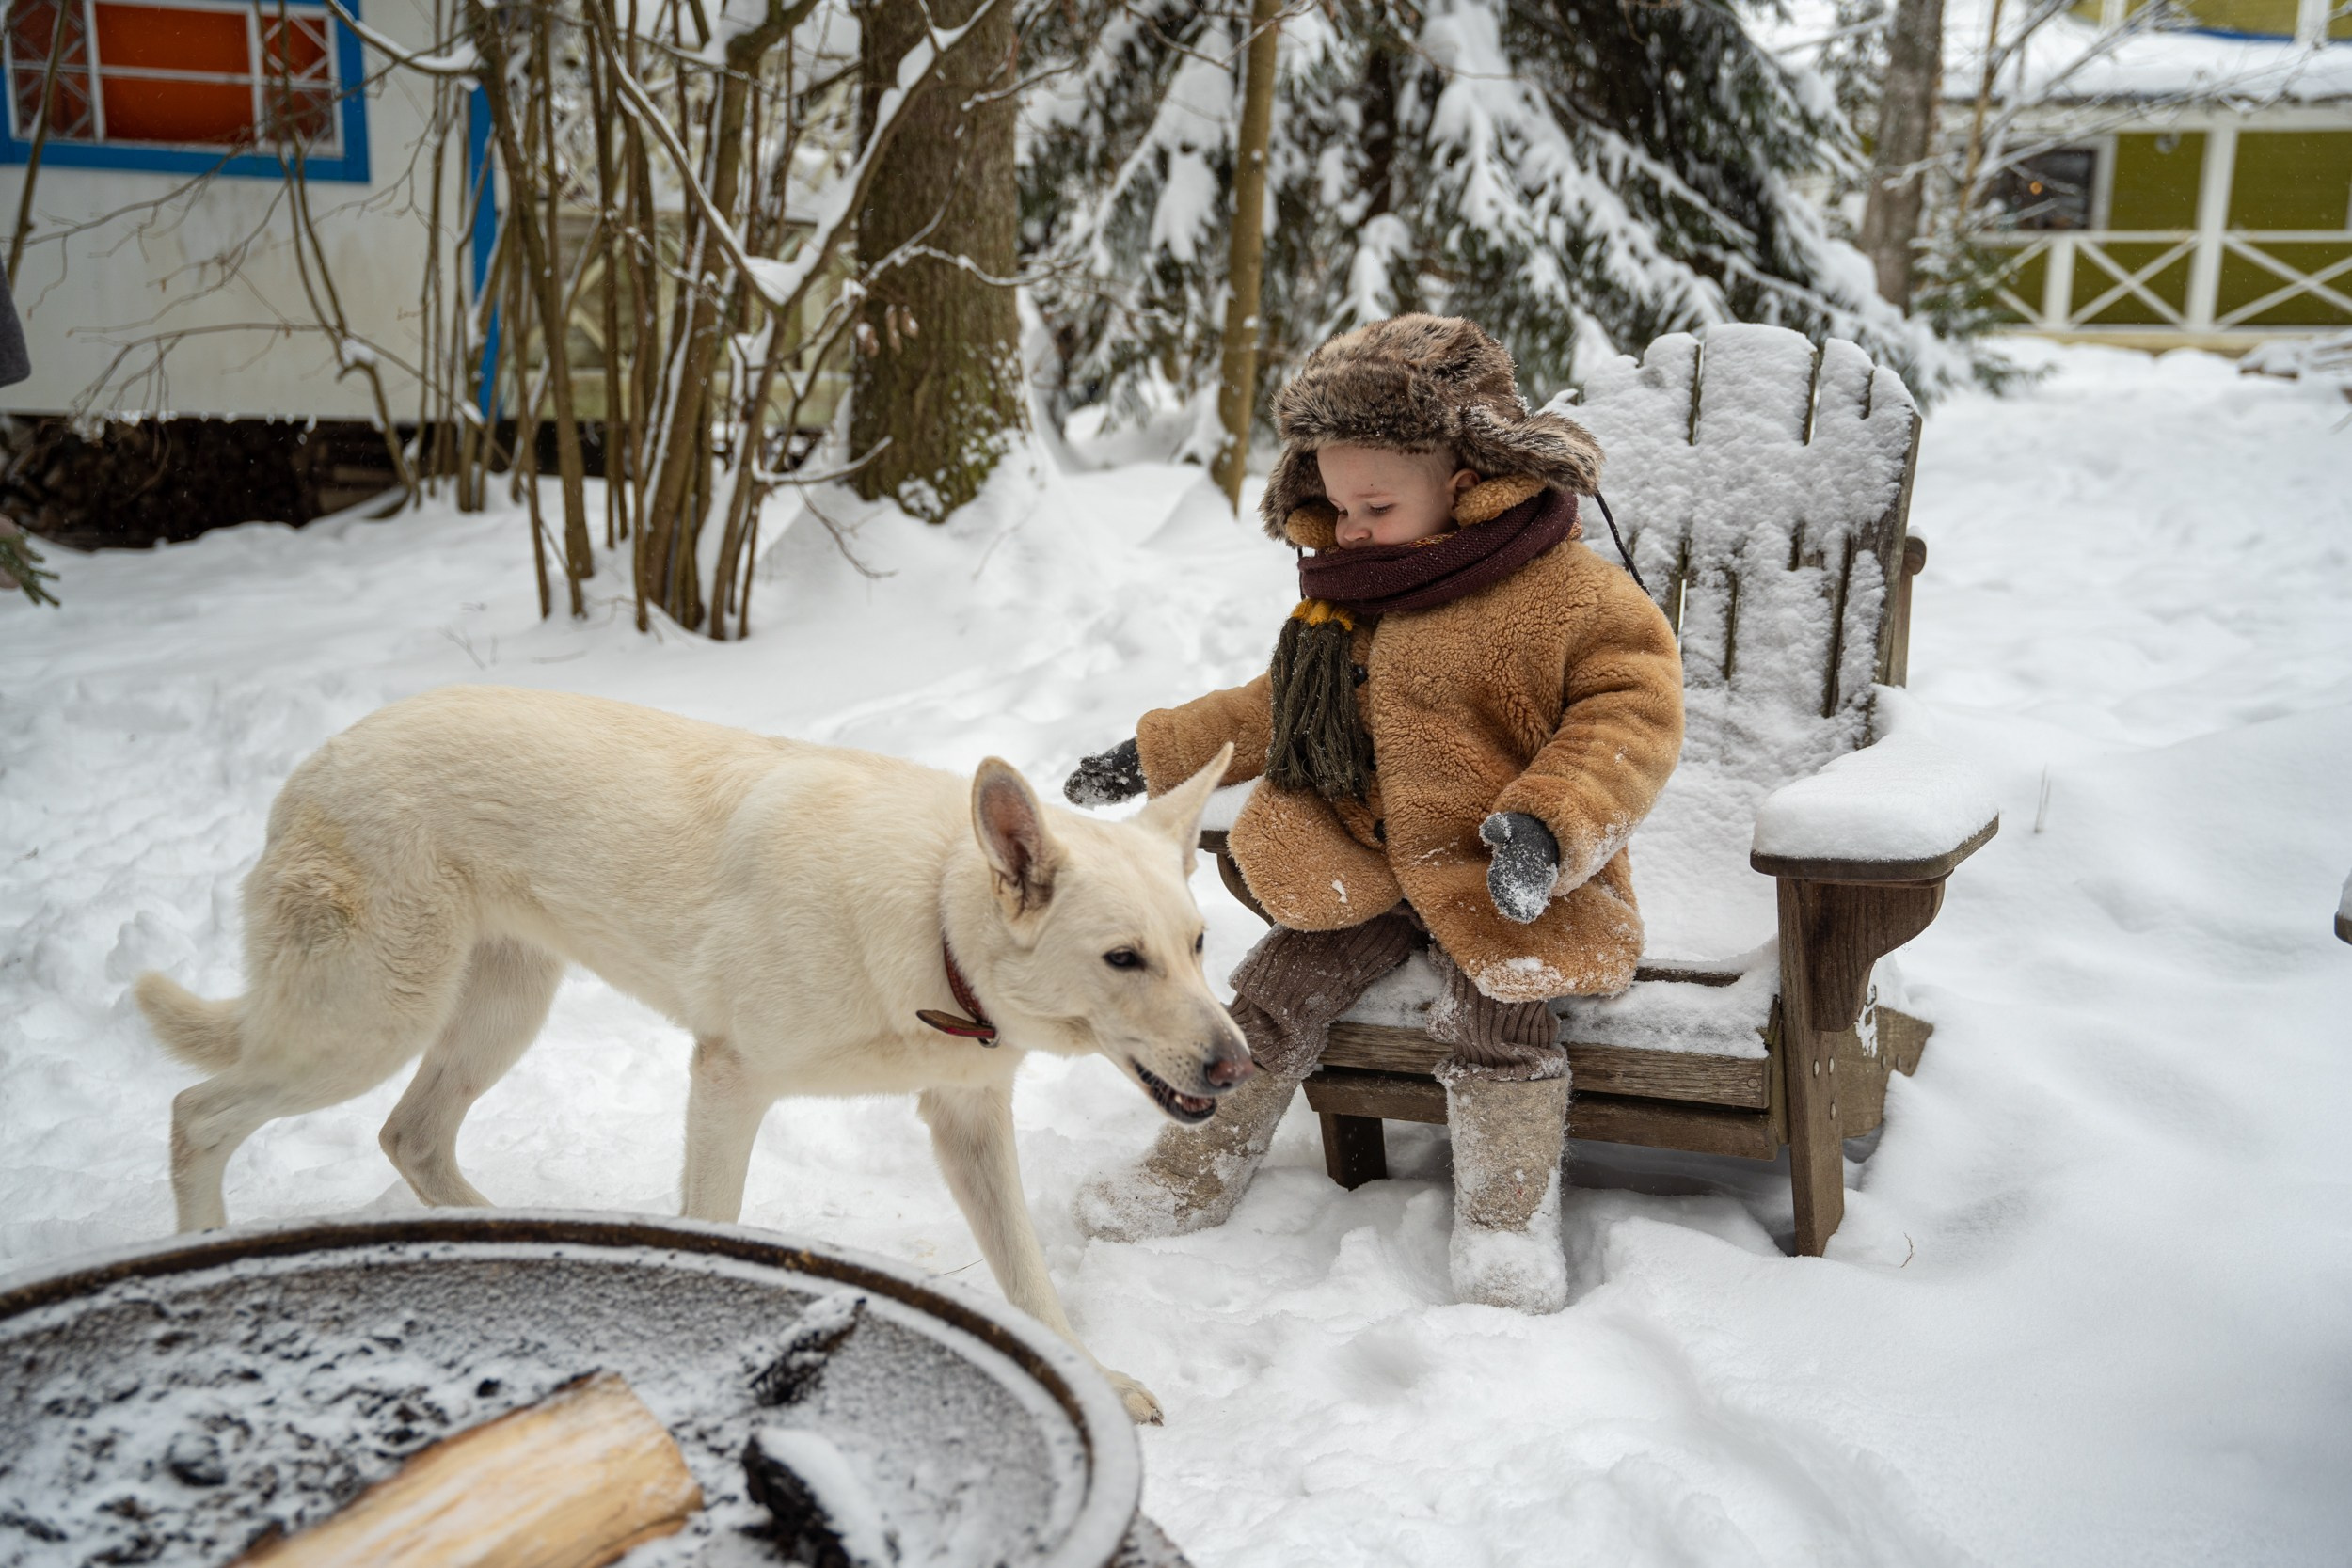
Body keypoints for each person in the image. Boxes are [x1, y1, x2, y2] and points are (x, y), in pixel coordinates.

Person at [1063, 314, 1684, 1312]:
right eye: (1334, 502)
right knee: (1267, 992)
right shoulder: (1349, 604)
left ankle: (1502, 1220)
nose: (1346, 530)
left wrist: (1545, 826)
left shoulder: (1572, 598)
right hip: (1366, 860)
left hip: (1502, 871)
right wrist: (1155, 752)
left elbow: (1631, 718)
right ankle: (1189, 1171)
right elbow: (1273, 708)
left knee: (1500, 1017)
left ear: (1468, 474)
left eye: (1373, 505)